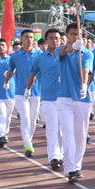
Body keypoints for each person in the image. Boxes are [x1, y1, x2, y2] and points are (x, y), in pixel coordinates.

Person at [56, 23, 94, 183]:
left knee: (80, 135)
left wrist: (84, 84)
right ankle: (71, 169)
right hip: (64, 98)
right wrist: (72, 47)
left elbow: (86, 69)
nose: (75, 37)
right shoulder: (61, 50)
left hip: (82, 98)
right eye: (72, 34)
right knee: (68, 134)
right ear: (66, 35)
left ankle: (77, 166)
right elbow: (64, 51)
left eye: (78, 34)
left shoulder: (88, 53)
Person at [26, 29, 64, 169]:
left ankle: (61, 154)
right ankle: (53, 156)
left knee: (63, 130)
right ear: (46, 41)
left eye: (57, 38)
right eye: (51, 38)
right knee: (52, 128)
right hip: (48, 99)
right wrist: (28, 89)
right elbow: (33, 74)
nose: (54, 41)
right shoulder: (39, 58)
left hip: (65, 98)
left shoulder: (66, 56)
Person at [4, 30, 42, 156]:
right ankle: (27, 143)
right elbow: (11, 70)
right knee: (25, 117)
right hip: (20, 91)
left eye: (31, 37)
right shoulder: (15, 56)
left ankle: (29, 139)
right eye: (26, 37)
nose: (29, 39)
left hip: (36, 91)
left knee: (33, 118)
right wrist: (6, 81)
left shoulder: (39, 54)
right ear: (21, 39)